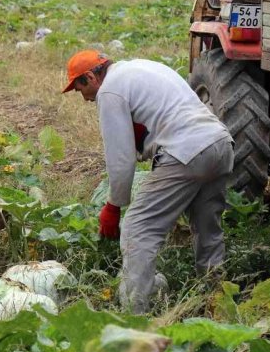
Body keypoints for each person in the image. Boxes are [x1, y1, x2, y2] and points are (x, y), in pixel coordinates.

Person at [62, 50, 235, 313]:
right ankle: (216, 303)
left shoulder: (109, 90)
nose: (84, 98)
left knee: (138, 228)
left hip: (187, 151)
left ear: (90, 77)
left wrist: (114, 206)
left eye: (79, 88)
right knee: (207, 230)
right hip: (220, 144)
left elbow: (120, 159)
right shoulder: (142, 67)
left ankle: (134, 314)